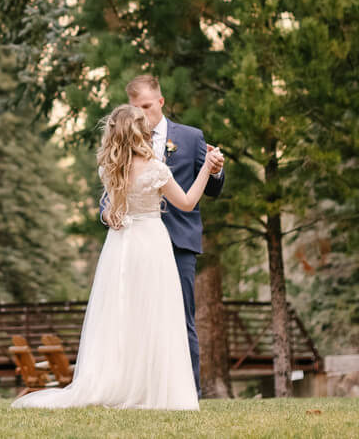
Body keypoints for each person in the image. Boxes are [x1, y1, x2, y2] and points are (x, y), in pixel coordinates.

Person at [13, 103, 220, 410]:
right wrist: (207, 168)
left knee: (122, 317)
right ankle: (152, 389)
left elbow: (113, 213)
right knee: (155, 315)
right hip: (150, 243)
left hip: (121, 246)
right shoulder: (156, 170)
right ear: (139, 132)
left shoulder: (109, 169)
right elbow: (187, 203)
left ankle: (120, 383)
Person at [128, 74, 225, 395]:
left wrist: (217, 169)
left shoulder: (191, 137)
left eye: (145, 106)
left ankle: (188, 393)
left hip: (179, 240)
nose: (141, 114)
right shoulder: (127, 139)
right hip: (139, 240)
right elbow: (114, 187)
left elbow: (212, 189)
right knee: (140, 317)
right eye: (134, 108)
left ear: (160, 102)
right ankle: (145, 390)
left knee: (182, 318)